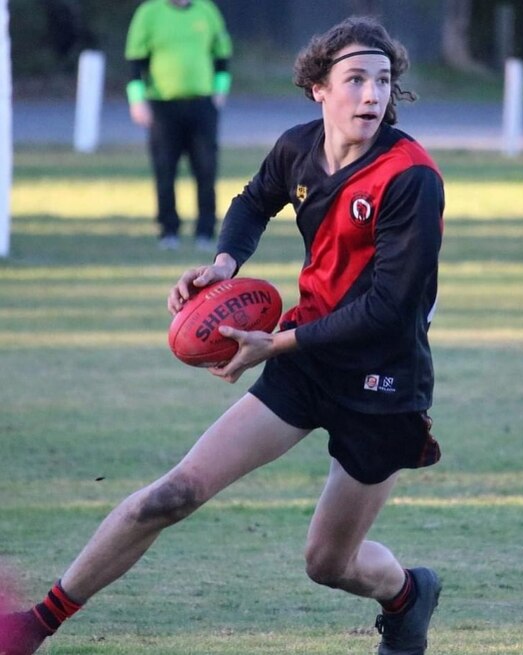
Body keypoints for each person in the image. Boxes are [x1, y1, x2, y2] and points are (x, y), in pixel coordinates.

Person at [0, 15, 445, 655]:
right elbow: (253, 200)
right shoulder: (298, 148)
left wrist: (278, 344)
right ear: (318, 87)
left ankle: (407, 594)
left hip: (382, 381)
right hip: (305, 365)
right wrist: (224, 265)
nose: (372, 95)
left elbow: (390, 309)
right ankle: (32, 625)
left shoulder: (412, 178)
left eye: (382, 81)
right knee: (172, 493)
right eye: (355, 80)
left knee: (328, 563)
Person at [124, 0, 233, 251]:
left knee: (206, 168)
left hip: (202, 104)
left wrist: (220, 90)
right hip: (163, 105)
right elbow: (135, 63)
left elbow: (222, 55)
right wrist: (137, 100)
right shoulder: (149, 13)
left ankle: (205, 231)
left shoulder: (206, 11)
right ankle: (168, 230)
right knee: (165, 169)